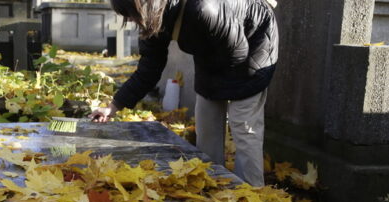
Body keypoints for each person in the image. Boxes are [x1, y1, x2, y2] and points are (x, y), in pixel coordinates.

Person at [91, 0, 278, 187]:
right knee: (207, 122)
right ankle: (210, 182)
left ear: (145, 6)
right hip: (214, 53)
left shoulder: (204, 9)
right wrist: (113, 106)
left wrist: (222, 95)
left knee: (243, 125)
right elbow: (148, 69)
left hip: (253, 43)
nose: (130, 20)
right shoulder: (153, 20)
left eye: (130, 14)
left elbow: (238, 52)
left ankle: (251, 193)